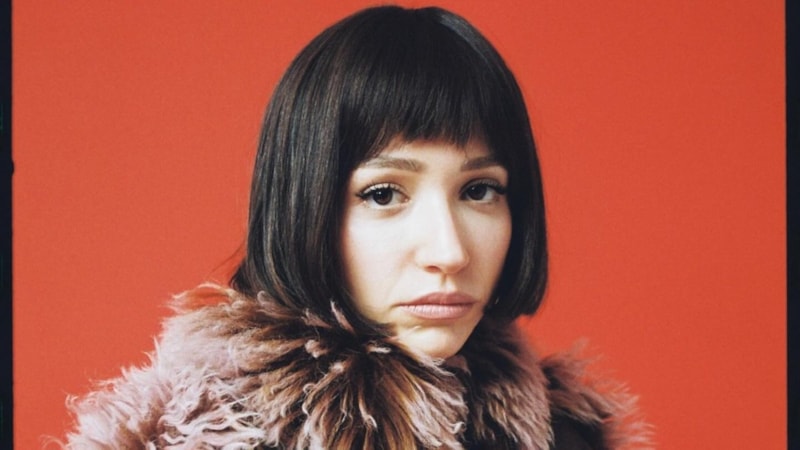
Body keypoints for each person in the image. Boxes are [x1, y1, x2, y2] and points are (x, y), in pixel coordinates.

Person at [64, 6, 649, 449]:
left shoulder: (566, 436)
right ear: (304, 205)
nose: (449, 252)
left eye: (478, 191)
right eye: (383, 194)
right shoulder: (194, 440)